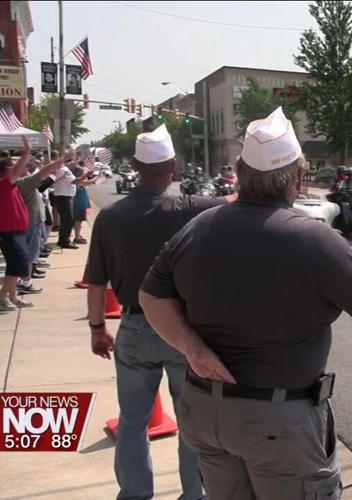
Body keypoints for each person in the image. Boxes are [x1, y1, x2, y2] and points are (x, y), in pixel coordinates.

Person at [138, 107, 352, 500]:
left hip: (205, 409)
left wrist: (192, 347)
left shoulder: (198, 228)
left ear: (240, 171)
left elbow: (151, 294)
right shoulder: (313, 239)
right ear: (299, 178)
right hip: (277, 420)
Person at [85, 125, 233, 500]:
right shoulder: (190, 209)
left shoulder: (110, 217)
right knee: (191, 422)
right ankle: (193, 494)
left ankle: (135, 494)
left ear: (134, 165)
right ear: (173, 166)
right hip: (181, 330)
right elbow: (236, 201)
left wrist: (97, 329)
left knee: (133, 421)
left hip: (134, 326)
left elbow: (97, 282)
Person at [15, 152, 74, 295]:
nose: (28, 167)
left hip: (32, 220)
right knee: (31, 253)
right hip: (32, 221)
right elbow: (44, 173)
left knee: (31, 252)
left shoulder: (21, 180)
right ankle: (25, 283)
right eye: (25, 165)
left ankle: (24, 280)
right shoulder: (23, 181)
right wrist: (63, 159)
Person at [0, 138, 34, 310]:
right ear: (6, 170)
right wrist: (27, 150)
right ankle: (1, 296)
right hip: (9, 233)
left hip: (16, 232)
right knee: (17, 267)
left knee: (15, 266)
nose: (19, 168)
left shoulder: (11, 186)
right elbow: (18, 169)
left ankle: (13, 297)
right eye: (13, 166)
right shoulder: (3, 184)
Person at [52, 157, 80, 249]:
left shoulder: (62, 170)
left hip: (63, 196)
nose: (72, 163)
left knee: (65, 220)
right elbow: (75, 181)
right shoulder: (64, 170)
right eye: (70, 161)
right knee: (67, 220)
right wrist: (85, 175)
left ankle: (63, 239)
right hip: (64, 197)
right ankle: (65, 241)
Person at [72, 165, 99, 245]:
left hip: (82, 204)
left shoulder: (78, 181)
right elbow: (87, 182)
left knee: (80, 221)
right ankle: (77, 237)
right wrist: (97, 177)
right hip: (79, 204)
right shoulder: (78, 182)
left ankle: (78, 235)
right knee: (78, 221)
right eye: (83, 173)